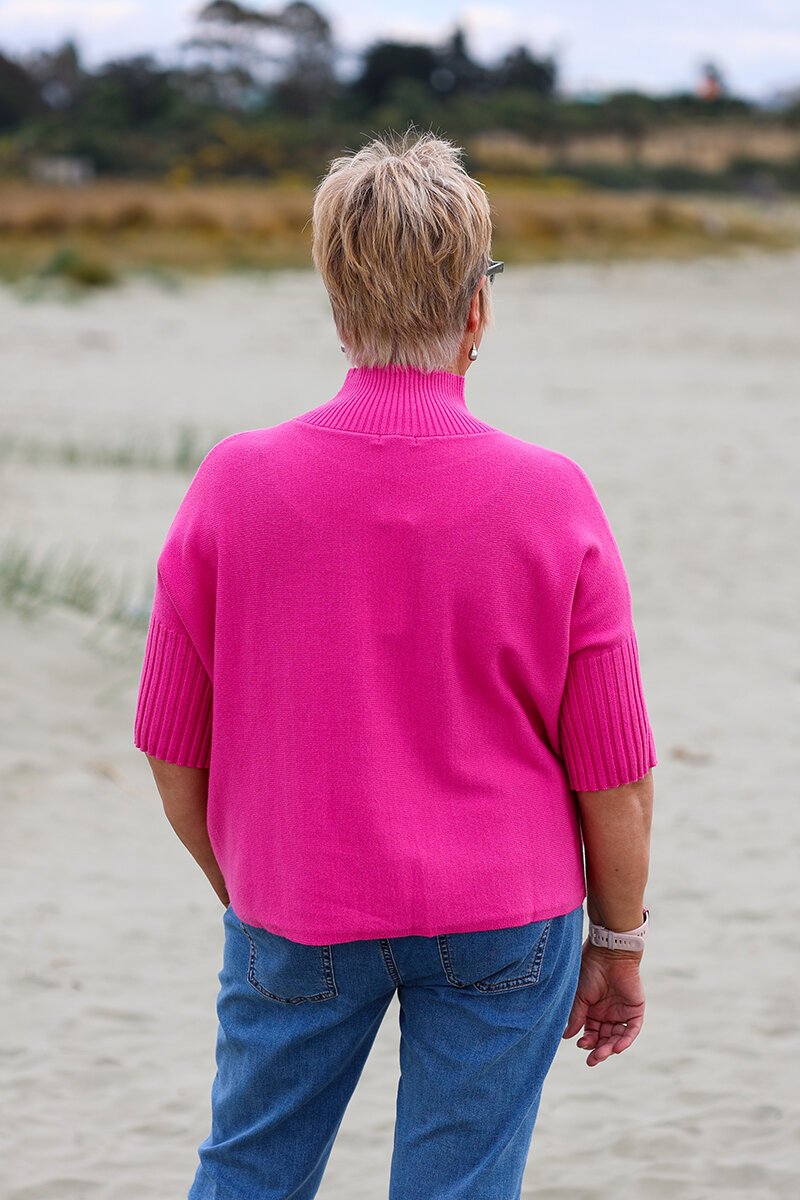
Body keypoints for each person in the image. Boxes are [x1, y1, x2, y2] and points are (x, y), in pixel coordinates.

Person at [133, 129, 657, 1200]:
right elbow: (614, 772)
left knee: (250, 1173)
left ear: (337, 309)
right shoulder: (550, 492)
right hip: (506, 912)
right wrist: (617, 940)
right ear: (477, 309)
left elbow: (171, 748)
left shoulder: (234, 482)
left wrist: (251, 892)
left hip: (296, 902)